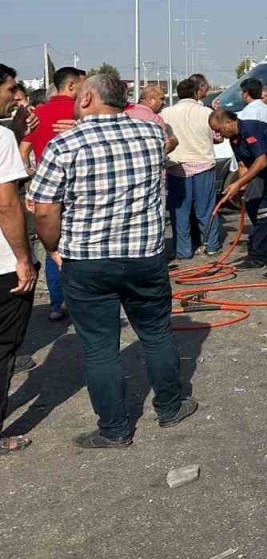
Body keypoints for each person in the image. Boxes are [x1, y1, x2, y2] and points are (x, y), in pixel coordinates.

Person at [27, 72, 197, 448]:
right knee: (156, 333)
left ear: (86, 99)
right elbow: (169, 141)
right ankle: (170, 407)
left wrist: (54, 247)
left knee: (100, 347)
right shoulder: (152, 136)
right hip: (144, 257)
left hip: (87, 262)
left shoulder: (65, 144)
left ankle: (115, 429)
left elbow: (43, 210)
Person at [21, 65, 85, 322]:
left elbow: (23, 149)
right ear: (71, 86)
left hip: (46, 192)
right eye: (83, 84)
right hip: (77, 191)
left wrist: (31, 177)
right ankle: (80, 301)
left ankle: (57, 304)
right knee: (79, 247)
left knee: (52, 246)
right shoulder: (79, 113)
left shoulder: (37, 115)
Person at [209, 108, 267, 276]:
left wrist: (237, 184)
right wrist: (242, 189)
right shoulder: (234, 140)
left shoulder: (251, 129)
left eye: (218, 129)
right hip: (265, 176)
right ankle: (259, 256)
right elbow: (244, 165)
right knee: (257, 211)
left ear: (228, 122)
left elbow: (261, 161)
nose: (217, 134)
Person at [0, 64, 37, 455]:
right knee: (3, 347)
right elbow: (7, 204)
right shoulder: (0, 139)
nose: (15, 95)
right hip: (1, 263)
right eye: (11, 88)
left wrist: (20, 135)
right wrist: (23, 258)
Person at [162, 77, 223, 260]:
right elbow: (218, 137)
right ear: (197, 92)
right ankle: (211, 246)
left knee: (179, 213)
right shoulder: (206, 112)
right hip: (203, 165)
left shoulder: (166, 113)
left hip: (176, 168)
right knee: (206, 210)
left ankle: (183, 250)